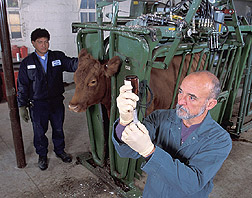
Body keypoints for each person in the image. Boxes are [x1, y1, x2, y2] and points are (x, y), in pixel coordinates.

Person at [112, 70, 232, 197]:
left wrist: (149, 151)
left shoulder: (219, 140)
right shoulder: (160, 117)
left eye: (191, 97)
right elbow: (127, 151)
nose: (181, 101)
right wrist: (125, 121)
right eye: (181, 92)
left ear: (210, 104)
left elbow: (191, 183)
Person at [17, 28, 78, 171]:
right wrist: (22, 105)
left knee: (58, 128)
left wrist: (86, 60)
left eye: (46, 42)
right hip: (38, 104)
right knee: (39, 131)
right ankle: (42, 155)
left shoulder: (57, 57)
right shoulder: (27, 63)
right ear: (33, 43)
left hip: (56, 102)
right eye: (40, 42)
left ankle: (60, 151)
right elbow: (22, 86)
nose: (44, 45)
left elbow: (72, 64)